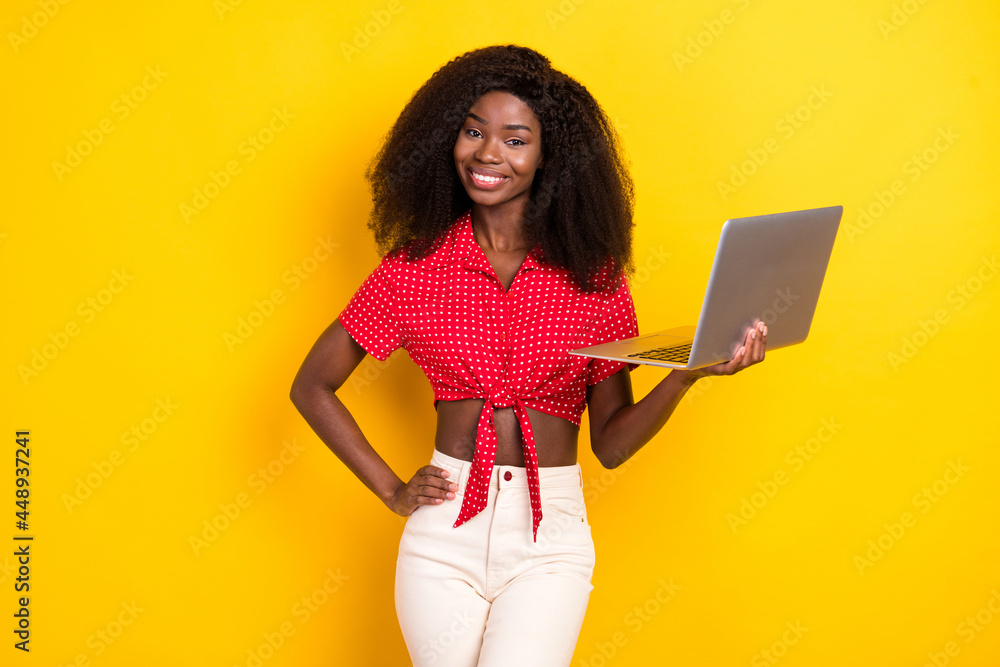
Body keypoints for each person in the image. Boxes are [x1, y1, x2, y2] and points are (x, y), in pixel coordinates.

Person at [290, 44, 767, 667]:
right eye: (472, 132)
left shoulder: (592, 278)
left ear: (549, 158)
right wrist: (391, 490)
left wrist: (687, 377)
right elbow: (312, 386)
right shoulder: (414, 268)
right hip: (442, 535)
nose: (488, 154)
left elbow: (612, 445)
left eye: (515, 139)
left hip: (551, 537)